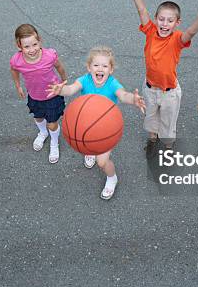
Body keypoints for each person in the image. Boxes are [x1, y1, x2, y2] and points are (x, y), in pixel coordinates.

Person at [121, 0, 198, 151]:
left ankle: (167, 145)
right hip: (149, 88)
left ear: (177, 23)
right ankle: (152, 139)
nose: (164, 24)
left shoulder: (177, 39)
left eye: (170, 20)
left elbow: (191, 32)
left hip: (169, 93)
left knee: (167, 124)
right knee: (150, 119)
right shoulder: (150, 31)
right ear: (156, 18)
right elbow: (142, 10)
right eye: (161, 19)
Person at [47, 46, 145, 200]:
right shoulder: (84, 80)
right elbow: (71, 89)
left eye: (105, 66)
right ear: (89, 67)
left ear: (111, 70)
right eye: (96, 65)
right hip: (86, 125)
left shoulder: (112, 84)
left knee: (102, 162)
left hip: (106, 129)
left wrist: (133, 99)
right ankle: (90, 151)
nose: (100, 69)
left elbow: (123, 95)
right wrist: (61, 90)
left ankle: (112, 178)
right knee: (86, 142)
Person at [10, 24, 67, 163]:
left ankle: (54, 142)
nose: (32, 49)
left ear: (39, 41)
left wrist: (64, 81)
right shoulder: (17, 61)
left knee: (52, 123)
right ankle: (42, 132)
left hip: (52, 96)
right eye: (27, 47)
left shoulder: (49, 55)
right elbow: (14, 70)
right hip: (34, 96)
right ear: (19, 46)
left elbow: (59, 66)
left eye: (35, 44)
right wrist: (18, 85)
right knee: (38, 117)